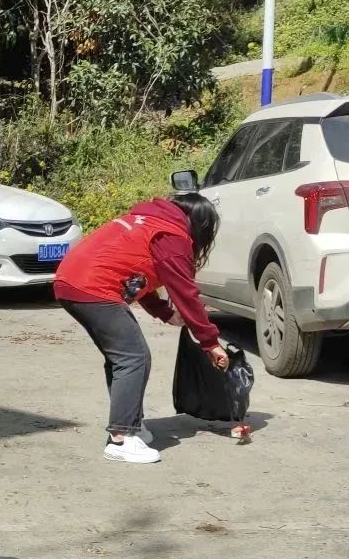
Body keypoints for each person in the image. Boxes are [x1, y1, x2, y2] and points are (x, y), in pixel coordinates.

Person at [54, 193, 229, 464]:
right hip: (93, 287)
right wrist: (210, 341)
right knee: (133, 357)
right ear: (200, 224)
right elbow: (185, 292)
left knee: (121, 357)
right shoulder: (171, 235)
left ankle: (130, 424)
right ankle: (121, 438)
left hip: (71, 280)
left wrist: (165, 313)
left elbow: (137, 278)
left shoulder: (146, 221)